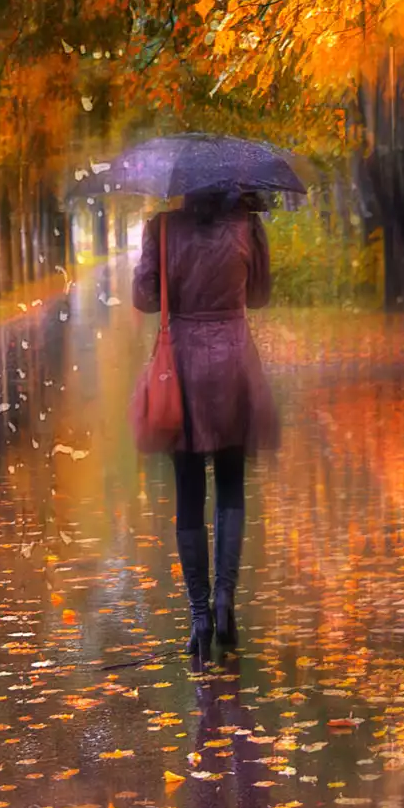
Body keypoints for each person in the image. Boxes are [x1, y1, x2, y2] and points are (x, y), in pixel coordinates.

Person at [132, 187, 279, 658]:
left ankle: (199, 615)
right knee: (231, 487)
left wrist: (157, 254)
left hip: (183, 367)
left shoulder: (163, 229)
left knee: (189, 492)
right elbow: (259, 295)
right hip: (234, 363)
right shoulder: (246, 225)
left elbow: (143, 297)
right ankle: (224, 598)